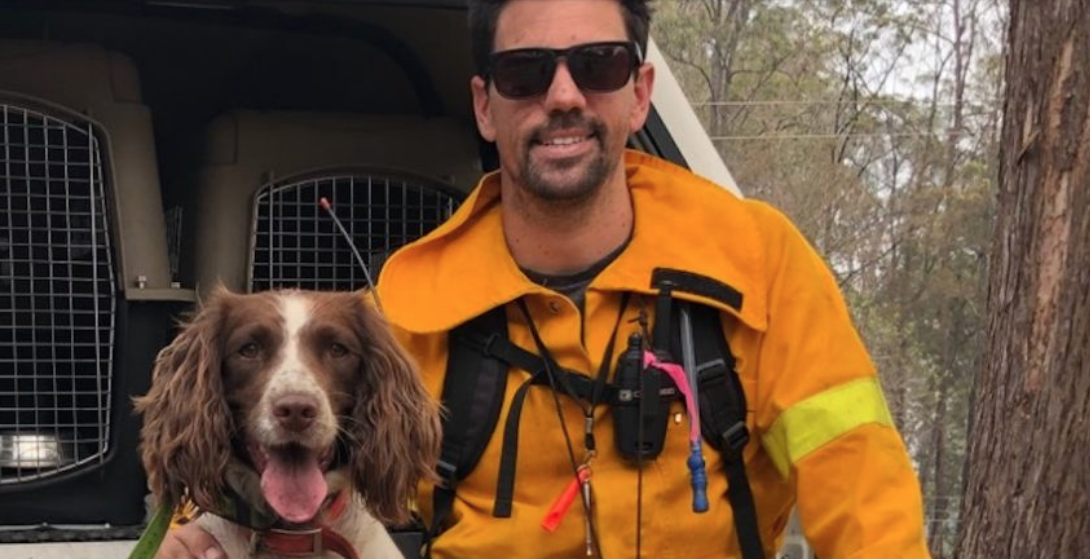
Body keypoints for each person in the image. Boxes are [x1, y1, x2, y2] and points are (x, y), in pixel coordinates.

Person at [157, 0, 931, 557]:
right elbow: (293, 462)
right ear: (486, 107)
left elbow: (868, 513)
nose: (563, 95)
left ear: (639, 92)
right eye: (526, 73)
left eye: (597, 65)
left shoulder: (756, 261)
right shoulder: (413, 299)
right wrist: (198, 526)